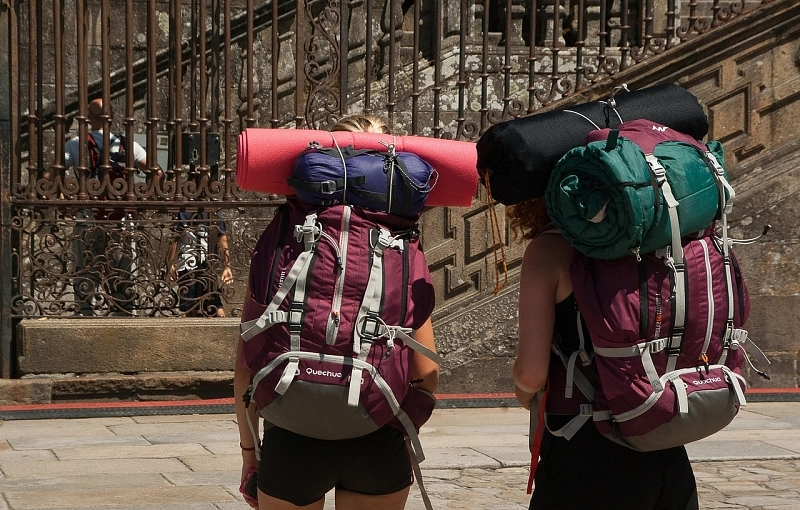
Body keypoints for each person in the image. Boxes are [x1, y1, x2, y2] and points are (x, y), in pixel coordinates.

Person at [234, 114, 439, 510]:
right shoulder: (401, 245)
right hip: (376, 436)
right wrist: (392, 422)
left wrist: (250, 455)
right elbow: (427, 372)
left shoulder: (285, 237)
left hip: (291, 435)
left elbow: (245, 365)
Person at [509, 198, 699, 510]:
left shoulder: (551, 249)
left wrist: (521, 387)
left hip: (586, 452)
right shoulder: (655, 239)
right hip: (662, 437)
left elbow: (531, 375)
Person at [63, 98, 150, 316]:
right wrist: (142, 201)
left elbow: (51, 175)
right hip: (121, 221)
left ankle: (85, 315)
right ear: (111, 117)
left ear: (87, 118)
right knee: (123, 275)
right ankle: (124, 315)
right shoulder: (128, 145)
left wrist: (65, 201)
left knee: (86, 274)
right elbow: (156, 171)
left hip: (87, 219)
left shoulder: (75, 144)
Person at [166, 209, 233, 317]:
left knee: (191, 305)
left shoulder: (182, 212)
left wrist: (171, 264)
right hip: (206, 261)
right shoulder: (213, 212)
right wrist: (227, 266)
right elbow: (223, 240)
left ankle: (193, 330)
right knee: (214, 303)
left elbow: (175, 239)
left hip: (188, 262)